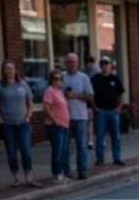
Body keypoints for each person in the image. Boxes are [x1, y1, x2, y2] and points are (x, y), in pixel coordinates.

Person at [0, 59, 40, 188]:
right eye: (7, 68)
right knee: (11, 152)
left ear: (15, 70)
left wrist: (28, 116)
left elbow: (30, 101)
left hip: (22, 123)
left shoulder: (22, 84)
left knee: (26, 150)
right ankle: (16, 178)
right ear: (3, 71)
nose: (9, 71)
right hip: (7, 124)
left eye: (11, 68)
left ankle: (28, 177)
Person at [62, 52, 94, 180]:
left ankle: (82, 170)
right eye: (69, 62)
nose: (72, 64)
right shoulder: (61, 77)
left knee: (81, 145)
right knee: (65, 146)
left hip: (80, 116)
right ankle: (66, 171)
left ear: (78, 63)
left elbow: (90, 96)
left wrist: (75, 95)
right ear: (66, 63)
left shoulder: (83, 77)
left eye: (74, 61)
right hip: (64, 117)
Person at [91, 56, 125, 166]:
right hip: (101, 112)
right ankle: (100, 158)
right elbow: (90, 95)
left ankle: (117, 157)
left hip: (113, 111)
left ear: (111, 66)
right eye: (103, 65)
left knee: (116, 136)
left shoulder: (115, 79)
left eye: (107, 65)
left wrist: (119, 108)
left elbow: (122, 95)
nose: (105, 67)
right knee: (100, 136)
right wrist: (94, 107)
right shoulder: (95, 79)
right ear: (100, 66)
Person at [42, 69, 70, 183]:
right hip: (55, 125)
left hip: (64, 125)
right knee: (57, 150)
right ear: (51, 80)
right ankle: (58, 174)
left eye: (59, 79)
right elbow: (46, 106)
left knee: (63, 150)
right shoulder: (49, 91)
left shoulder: (59, 91)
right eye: (55, 79)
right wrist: (55, 120)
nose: (58, 81)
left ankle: (62, 173)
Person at [82, 54, 98, 149]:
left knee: (97, 120)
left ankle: (99, 139)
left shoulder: (97, 73)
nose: (90, 65)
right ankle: (90, 141)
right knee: (90, 120)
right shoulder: (83, 74)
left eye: (91, 62)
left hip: (96, 99)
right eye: (88, 63)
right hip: (87, 100)